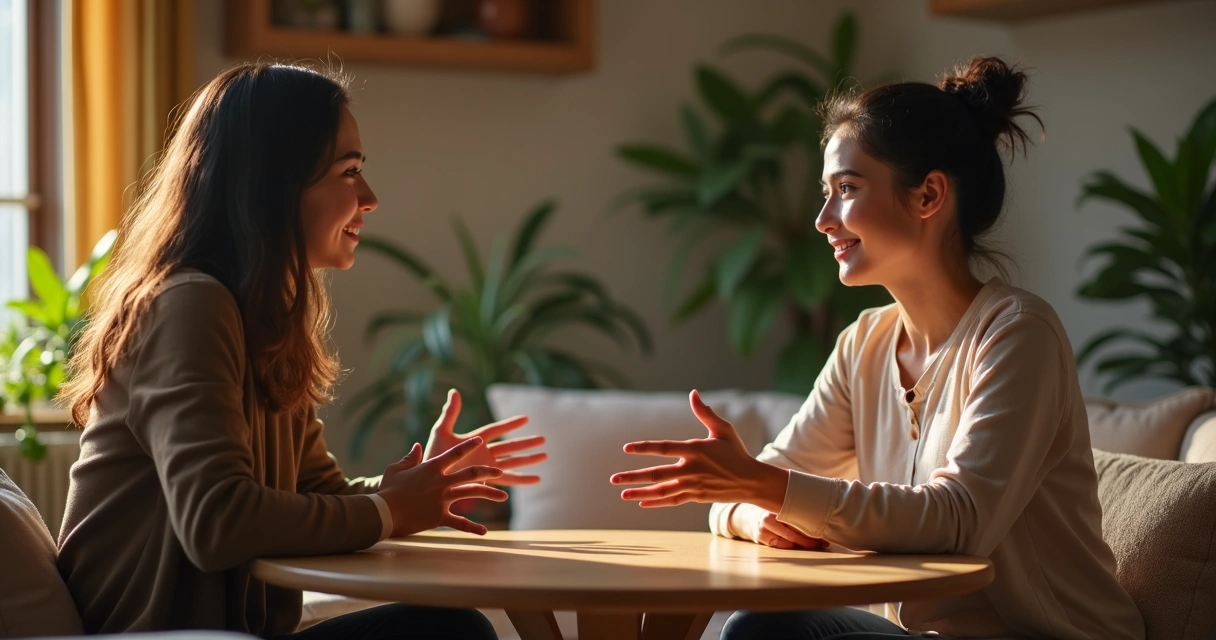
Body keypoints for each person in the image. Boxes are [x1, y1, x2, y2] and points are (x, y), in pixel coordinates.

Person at [610, 57, 1145, 640]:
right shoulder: (865, 342)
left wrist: (759, 487)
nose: (821, 220)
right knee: (759, 626)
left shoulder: (1018, 334)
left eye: (846, 189)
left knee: (762, 633)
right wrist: (746, 507)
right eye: (825, 192)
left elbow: (958, 521)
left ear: (928, 196)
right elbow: (756, 487)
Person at [57, 62, 546, 639]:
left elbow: (314, 496)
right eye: (349, 171)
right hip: (155, 635)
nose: (370, 197)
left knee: (453, 629)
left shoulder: (260, 316)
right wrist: (391, 510)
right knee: (453, 633)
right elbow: (217, 521)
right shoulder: (189, 304)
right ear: (274, 182)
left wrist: (407, 491)